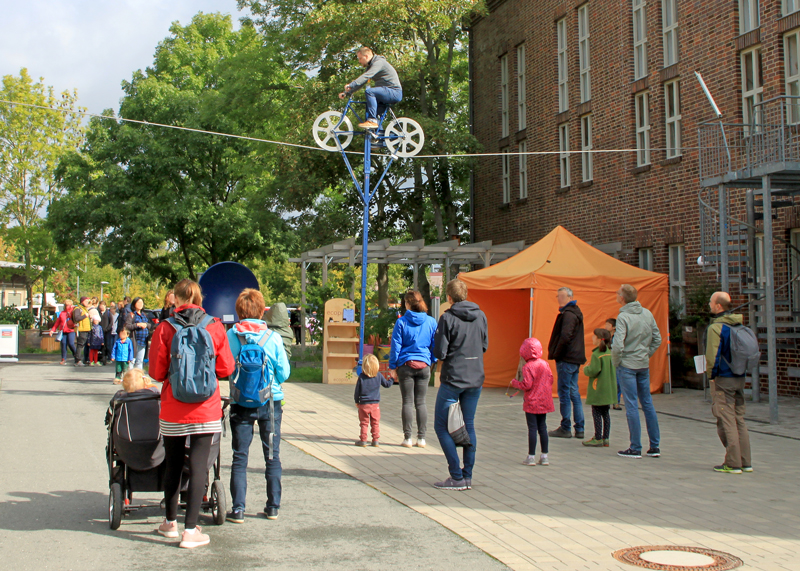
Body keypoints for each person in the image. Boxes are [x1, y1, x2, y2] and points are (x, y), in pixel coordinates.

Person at [149, 278, 235, 549]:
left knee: (173, 463)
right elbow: (226, 369)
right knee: (199, 467)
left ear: (175, 298)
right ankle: (191, 531)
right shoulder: (214, 326)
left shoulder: (164, 328)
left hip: (173, 408)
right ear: (200, 299)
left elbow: (155, 372)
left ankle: (170, 523)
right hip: (205, 408)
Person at [225, 288, 291, 524]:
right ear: (261, 310)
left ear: (239, 310)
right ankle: (273, 507)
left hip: (241, 402)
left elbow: (224, 369)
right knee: (272, 456)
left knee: (239, 457)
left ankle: (238, 509)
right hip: (270, 402)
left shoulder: (231, 336)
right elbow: (284, 373)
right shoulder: (272, 338)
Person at [432, 278, 488, 491]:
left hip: (453, 378)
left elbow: (441, 352)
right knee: (469, 424)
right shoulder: (481, 315)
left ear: (449, 298)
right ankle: (467, 476)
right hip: (475, 377)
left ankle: (456, 475)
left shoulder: (447, 318)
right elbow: (484, 345)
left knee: (441, 425)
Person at [611, 284, 662, 459]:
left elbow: (618, 345)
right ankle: (654, 445)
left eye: (618, 293)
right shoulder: (647, 313)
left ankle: (635, 446)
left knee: (631, 404)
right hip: (642, 363)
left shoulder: (623, 317)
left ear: (623, 298)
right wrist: (647, 354)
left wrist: (617, 362)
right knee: (647, 403)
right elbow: (657, 338)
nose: (617, 295)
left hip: (628, 365)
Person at [705, 291, 753, 474]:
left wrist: (712, 377)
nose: (709, 304)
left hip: (723, 379)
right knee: (739, 418)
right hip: (739, 377)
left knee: (726, 419)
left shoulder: (716, 328)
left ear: (718, 306)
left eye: (711, 302)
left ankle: (733, 463)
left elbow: (712, 356)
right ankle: (745, 461)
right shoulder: (739, 325)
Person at [389, 290, 437, 448]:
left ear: (407, 304)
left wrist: (393, 366)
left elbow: (396, 346)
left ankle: (407, 438)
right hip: (424, 366)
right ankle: (422, 438)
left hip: (406, 366)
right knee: (421, 403)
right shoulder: (431, 322)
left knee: (407, 402)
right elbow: (435, 345)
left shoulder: (401, 322)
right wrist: (432, 361)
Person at [547, 287, 587, 439]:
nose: (559, 299)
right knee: (573, 391)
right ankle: (579, 427)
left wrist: (557, 352)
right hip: (574, 357)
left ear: (569, 297)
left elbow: (565, 336)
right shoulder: (573, 313)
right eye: (558, 296)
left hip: (567, 358)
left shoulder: (569, 315)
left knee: (565, 392)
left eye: (561, 296)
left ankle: (566, 426)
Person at [510, 337, 554, 467]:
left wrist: (515, 383)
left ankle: (531, 456)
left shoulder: (527, 367)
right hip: (544, 401)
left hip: (532, 402)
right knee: (543, 428)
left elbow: (527, 385)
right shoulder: (545, 364)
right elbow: (550, 379)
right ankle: (545, 455)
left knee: (532, 429)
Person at [339, 47, 403, 129]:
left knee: (370, 92)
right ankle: (376, 135)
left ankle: (372, 121)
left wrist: (351, 84)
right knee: (370, 110)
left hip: (394, 92)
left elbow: (366, 76)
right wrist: (347, 92)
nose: (359, 61)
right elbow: (362, 82)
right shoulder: (370, 66)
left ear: (366, 56)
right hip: (386, 92)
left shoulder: (379, 62)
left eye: (360, 58)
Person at [582, 328, 617, 447]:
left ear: (598, 339)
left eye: (593, 336)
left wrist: (586, 369)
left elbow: (594, 370)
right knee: (606, 414)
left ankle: (597, 437)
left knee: (596, 413)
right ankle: (606, 438)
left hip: (599, 389)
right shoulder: (609, 353)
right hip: (608, 389)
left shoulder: (596, 354)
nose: (592, 338)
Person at [354, 353, 393, 447]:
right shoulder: (379, 376)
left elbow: (357, 391)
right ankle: (375, 440)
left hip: (363, 404)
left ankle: (363, 440)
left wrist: (357, 401)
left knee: (364, 423)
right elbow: (387, 385)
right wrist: (392, 378)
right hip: (375, 405)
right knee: (375, 423)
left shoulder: (361, 377)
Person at [125, 297, 151, 369]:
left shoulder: (144, 315)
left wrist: (146, 325)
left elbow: (150, 325)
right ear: (134, 304)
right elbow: (128, 326)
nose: (140, 304)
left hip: (143, 341)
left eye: (141, 303)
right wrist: (137, 325)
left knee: (140, 361)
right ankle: (130, 377)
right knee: (132, 360)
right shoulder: (131, 315)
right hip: (134, 340)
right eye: (138, 303)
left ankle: (138, 377)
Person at [49, 299, 76, 365]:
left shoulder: (73, 313)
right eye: (66, 305)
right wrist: (52, 330)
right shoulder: (62, 313)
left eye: (69, 305)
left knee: (71, 343)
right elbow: (57, 323)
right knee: (63, 344)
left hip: (71, 330)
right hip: (63, 331)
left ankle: (76, 356)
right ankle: (63, 359)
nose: (68, 307)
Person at [605, 318, 622, 410]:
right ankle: (607, 400)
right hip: (607, 359)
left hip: (615, 360)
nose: (606, 326)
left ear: (614, 327)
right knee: (607, 381)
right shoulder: (605, 336)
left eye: (608, 325)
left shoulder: (618, 336)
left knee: (617, 382)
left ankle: (616, 402)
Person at [73, 297, 92, 366]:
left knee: (85, 345)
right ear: (82, 301)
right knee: (80, 345)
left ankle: (85, 359)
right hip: (81, 330)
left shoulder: (84, 309)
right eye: (86, 301)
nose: (88, 302)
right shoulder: (78, 309)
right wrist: (85, 316)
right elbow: (76, 318)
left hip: (86, 329)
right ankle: (78, 360)